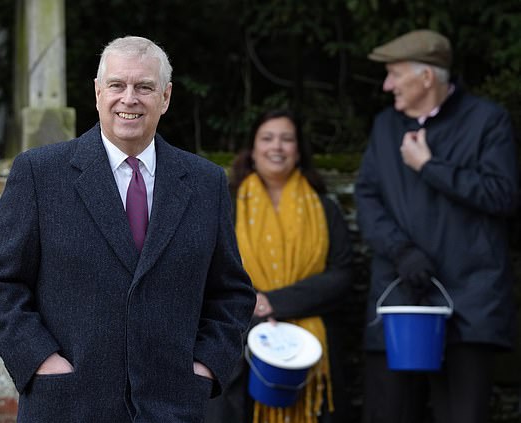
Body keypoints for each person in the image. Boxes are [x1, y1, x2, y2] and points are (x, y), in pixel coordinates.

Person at [0, 35, 256, 422]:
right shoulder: (40, 173)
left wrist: (206, 364)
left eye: (144, 87)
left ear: (166, 97)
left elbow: (231, 292)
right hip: (68, 406)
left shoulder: (206, 183)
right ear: (97, 92)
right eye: (117, 85)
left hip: (171, 408)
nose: (129, 98)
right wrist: (40, 360)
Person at [355, 29, 519, 423]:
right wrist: (401, 251)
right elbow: (368, 198)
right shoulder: (385, 127)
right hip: (399, 300)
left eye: (394, 74)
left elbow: (503, 195)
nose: (386, 85)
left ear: (426, 77)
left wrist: (430, 166)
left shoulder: (488, 122)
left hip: (471, 305)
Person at [205, 109, 354, 423]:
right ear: (253, 150)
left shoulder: (325, 208)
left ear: (298, 151)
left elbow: (342, 276)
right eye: (267, 138)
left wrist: (273, 302)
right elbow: (208, 269)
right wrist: (250, 302)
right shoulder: (225, 205)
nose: (277, 146)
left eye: (287, 139)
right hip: (242, 343)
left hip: (311, 342)